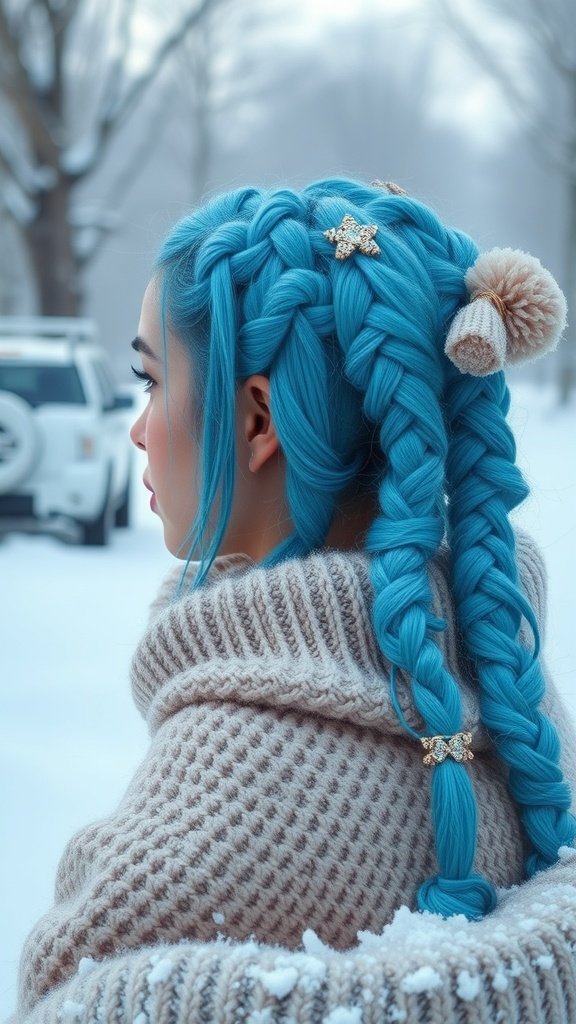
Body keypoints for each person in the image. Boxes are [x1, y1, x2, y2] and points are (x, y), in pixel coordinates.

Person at [11, 179, 576, 1023]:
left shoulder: (228, 781)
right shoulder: (513, 694)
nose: (137, 427)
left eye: (151, 379)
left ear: (256, 419)